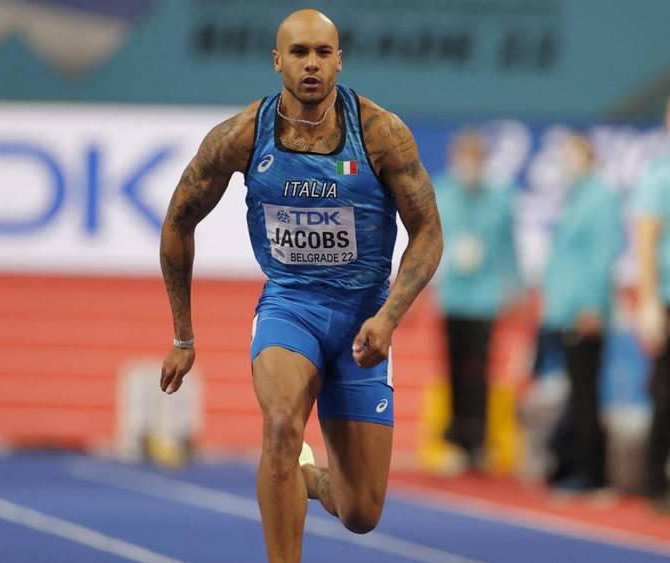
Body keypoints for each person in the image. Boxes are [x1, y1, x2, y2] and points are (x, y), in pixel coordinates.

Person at [158, 10, 442, 561]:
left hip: (364, 315)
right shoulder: (241, 136)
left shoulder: (381, 133)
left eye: (321, 52)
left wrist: (388, 318)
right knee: (282, 424)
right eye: (298, 53)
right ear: (277, 61)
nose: (310, 64)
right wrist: (183, 337)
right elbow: (178, 222)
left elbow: (428, 232)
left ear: (338, 59)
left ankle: (307, 479)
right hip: (292, 304)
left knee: (361, 512)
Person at [540, 133, 622, 493]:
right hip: (566, 308)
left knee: (586, 393)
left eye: (571, 155)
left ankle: (593, 474)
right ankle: (569, 463)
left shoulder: (600, 196)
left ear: (588, 156)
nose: (565, 162)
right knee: (576, 390)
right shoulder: (575, 196)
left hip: (583, 310)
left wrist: (590, 305)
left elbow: (600, 256)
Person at [434, 131, 519, 471]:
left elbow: (508, 246)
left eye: (475, 158)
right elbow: (429, 239)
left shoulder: (500, 197)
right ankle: (456, 440)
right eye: (463, 157)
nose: (468, 165)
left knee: (480, 370)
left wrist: (514, 286)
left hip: (485, 296)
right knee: (453, 368)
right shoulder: (443, 191)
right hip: (453, 293)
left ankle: (478, 442)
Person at [633, 97, 670, 512]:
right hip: (667, 297)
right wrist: (649, 302)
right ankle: (655, 482)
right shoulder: (660, 176)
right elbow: (646, 240)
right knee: (665, 392)